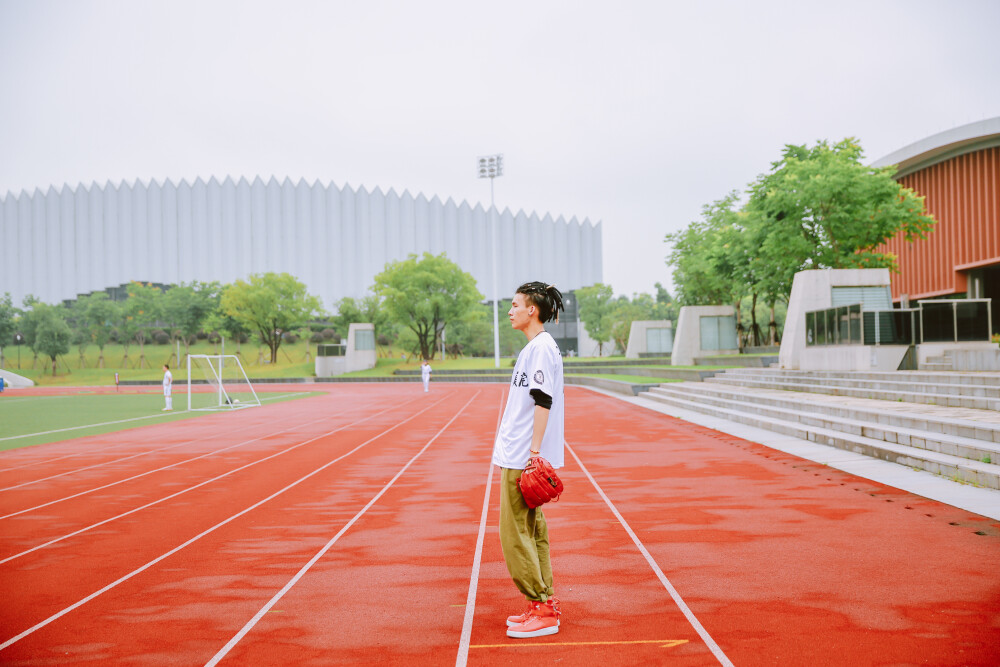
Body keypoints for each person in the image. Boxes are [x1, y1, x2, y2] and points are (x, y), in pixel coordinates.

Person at [492, 282, 565, 639]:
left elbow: (542, 400)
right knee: (532, 531)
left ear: (531, 310)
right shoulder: (538, 347)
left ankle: (541, 608)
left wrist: (534, 453)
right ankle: (543, 602)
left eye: (515, 304)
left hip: (522, 455)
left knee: (514, 533)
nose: (510, 310)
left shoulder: (539, 349)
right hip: (521, 451)